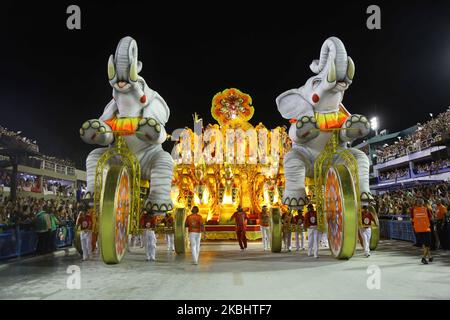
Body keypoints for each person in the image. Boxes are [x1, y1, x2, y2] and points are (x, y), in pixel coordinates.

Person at [411, 198, 433, 264]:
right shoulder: (426, 209)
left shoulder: (413, 209)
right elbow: (431, 218)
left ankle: (429, 256)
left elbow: (412, 219)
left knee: (424, 244)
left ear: (417, 203)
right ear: (423, 203)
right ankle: (423, 258)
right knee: (428, 244)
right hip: (426, 229)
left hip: (418, 229)